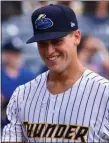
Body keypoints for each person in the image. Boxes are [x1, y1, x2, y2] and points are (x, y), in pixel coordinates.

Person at [2, 4, 109, 143]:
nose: (49, 51)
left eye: (57, 41)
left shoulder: (105, 93)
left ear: (76, 37)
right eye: (42, 44)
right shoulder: (22, 95)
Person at [1, 39, 36, 130]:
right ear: (6, 55)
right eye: (13, 54)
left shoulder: (29, 76)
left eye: (18, 54)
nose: (17, 57)